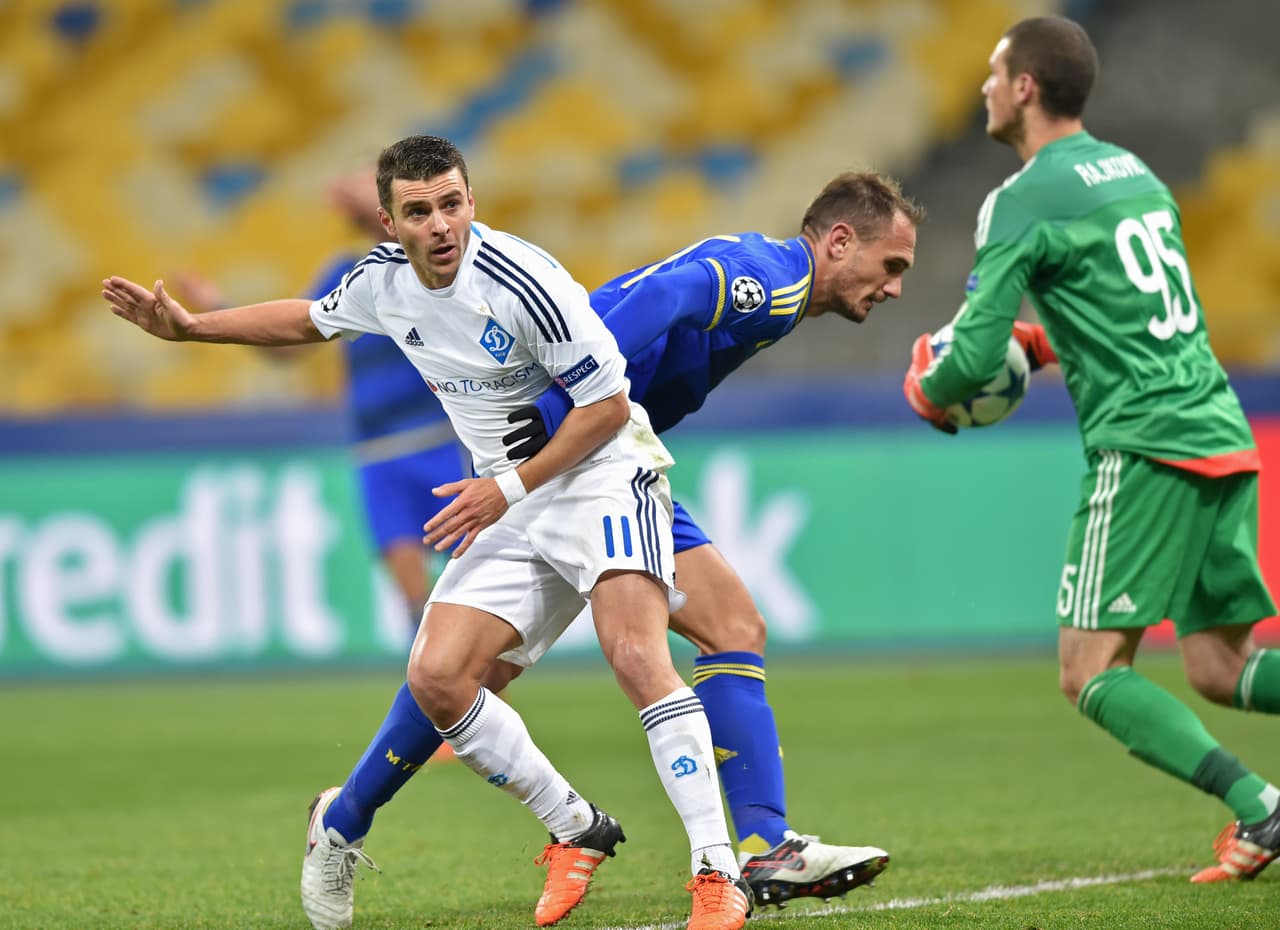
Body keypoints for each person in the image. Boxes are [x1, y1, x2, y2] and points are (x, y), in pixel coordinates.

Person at [103, 134, 753, 930]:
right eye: (420, 211)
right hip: (508, 499)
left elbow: (609, 406)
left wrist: (505, 486)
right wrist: (193, 328)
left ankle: (718, 876)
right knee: (439, 678)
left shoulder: (525, 280)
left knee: (635, 652)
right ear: (390, 222)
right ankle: (575, 826)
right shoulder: (380, 283)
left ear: (470, 202)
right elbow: (308, 321)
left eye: (452, 203)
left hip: (599, 474)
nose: (441, 224)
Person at [308, 169, 924, 924]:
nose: (893, 287)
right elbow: (660, 298)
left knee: (475, 672)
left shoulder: (771, 272)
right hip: (589, 446)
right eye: (891, 265)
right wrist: (558, 402)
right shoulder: (773, 281)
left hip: (599, 442)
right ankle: (753, 850)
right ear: (838, 241)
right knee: (680, 638)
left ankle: (344, 818)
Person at [902, 15, 1280, 883]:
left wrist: (927, 389)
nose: (986, 86)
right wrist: (1040, 346)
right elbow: (1126, 320)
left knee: (1089, 671)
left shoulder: (1022, 198)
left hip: (1145, 444)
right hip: (1219, 427)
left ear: (1026, 86)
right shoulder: (1136, 174)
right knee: (1223, 667)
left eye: (997, 72)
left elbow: (965, 356)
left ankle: (1263, 808)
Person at [174, 169, 467, 631]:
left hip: (439, 447)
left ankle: (487, 701)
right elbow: (292, 345)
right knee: (423, 617)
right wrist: (215, 307)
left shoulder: (430, 262)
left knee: (471, 607)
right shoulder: (348, 275)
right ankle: (458, 701)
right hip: (378, 458)